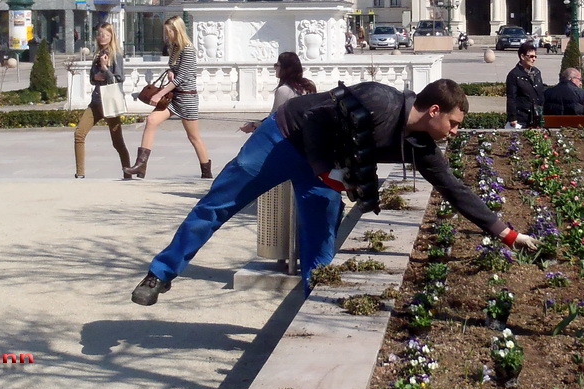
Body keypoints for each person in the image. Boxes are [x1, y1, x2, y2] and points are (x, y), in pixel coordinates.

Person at [131, 78, 539, 305]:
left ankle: (313, 310)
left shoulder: (422, 148)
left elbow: (455, 189)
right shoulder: (379, 100)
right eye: (453, 122)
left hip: (322, 168)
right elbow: (315, 124)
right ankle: (161, 273)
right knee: (217, 205)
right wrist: (328, 174)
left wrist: (507, 233)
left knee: (320, 242)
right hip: (283, 139)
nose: (455, 131)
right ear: (434, 110)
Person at [126, 16, 211, 179]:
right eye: (166, 32)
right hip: (174, 97)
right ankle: (140, 165)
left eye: (169, 31)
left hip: (187, 98)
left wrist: (159, 93)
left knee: (194, 137)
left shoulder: (188, 49)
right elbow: (175, 71)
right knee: (151, 121)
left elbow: (182, 78)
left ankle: (206, 172)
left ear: (177, 30)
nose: (167, 35)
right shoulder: (175, 48)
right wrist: (171, 71)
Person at [74, 23, 130, 179]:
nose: (102, 37)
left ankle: (128, 172)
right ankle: (80, 173)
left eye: (106, 34)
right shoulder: (97, 54)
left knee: (117, 141)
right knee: (79, 133)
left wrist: (105, 69)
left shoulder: (116, 54)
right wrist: (95, 77)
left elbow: (119, 79)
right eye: (100, 34)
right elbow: (93, 78)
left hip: (110, 102)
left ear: (112, 36)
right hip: (96, 102)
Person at [240, 51, 317, 134]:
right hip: (308, 133)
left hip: (292, 137)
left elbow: (274, 120)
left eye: (277, 65)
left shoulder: (284, 90)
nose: (275, 68)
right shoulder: (309, 85)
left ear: (285, 68)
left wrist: (253, 125)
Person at [505, 42, 545, 129]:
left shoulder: (537, 72)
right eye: (531, 56)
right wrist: (512, 118)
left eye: (535, 56)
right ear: (522, 57)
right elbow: (511, 97)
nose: (533, 59)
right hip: (521, 117)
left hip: (535, 117)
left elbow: (540, 94)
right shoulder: (514, 74)